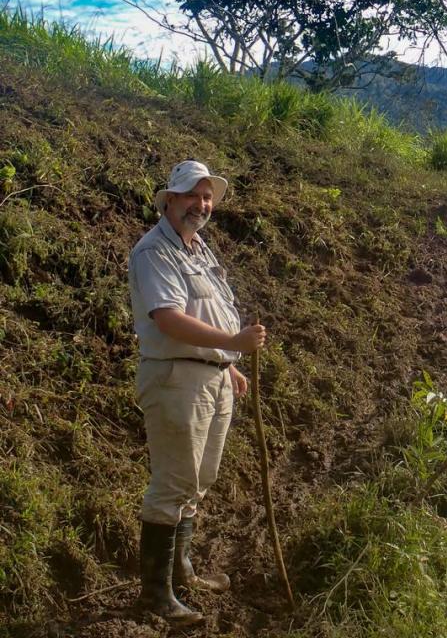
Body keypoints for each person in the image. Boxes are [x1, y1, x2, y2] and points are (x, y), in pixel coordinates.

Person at [128, 160, 267, 625]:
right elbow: (167, 318)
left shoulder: (198, 248)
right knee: (172, 485)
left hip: (209, 377)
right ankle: (155, 595)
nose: (201, 205)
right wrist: (231, 344)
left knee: (198, 480)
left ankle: (180, 570)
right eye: (192, 195)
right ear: (169, 199)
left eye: (207, 197)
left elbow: (208, 310)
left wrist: (227, 365)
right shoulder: (154, 252)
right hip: (175, 382)